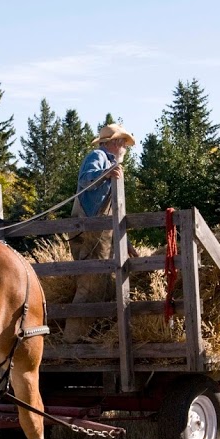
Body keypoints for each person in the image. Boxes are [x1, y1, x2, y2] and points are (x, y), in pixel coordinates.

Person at [63, 123, 136, 343]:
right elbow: (86, 179)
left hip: (105, 236)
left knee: (105, 284)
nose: (124, 147)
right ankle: (71, 340)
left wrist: (127, 243)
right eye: (123, 143)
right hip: (90, 233)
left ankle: (92, 336)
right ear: (114, 143)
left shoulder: (113, 168)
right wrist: (106, 173)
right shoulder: (98, 156)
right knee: (89, 284)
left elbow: (115, 212)